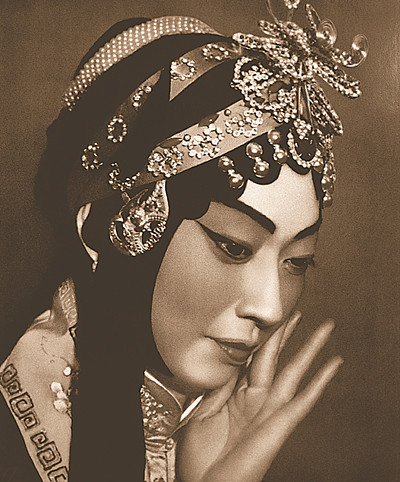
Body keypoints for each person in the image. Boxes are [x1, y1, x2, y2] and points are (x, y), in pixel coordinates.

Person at [0, 2, 368, 481]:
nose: (270, 307)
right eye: (234, 247)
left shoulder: (195, 434)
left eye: (297, 262)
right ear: (103, 232)